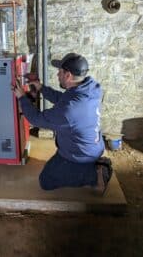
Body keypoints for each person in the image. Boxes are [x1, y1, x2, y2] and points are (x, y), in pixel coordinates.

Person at [12, 53, 113, 194]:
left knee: (46, 181)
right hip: (90, 146)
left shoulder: (70, 110)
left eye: (60, 72)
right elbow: (63, 99)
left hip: (80, 154)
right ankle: (89, 165)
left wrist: (22, 97)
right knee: (55, 165)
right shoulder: (90, 89)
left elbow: (35, 119)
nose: (57, 75)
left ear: (68, 76)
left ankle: (95, 175)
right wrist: (41, 88)